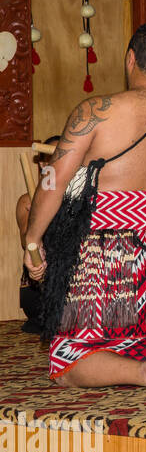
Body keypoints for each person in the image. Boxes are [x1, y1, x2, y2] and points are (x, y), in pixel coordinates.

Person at [23, 23, 146, 394]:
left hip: (107, 248)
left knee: (69, 359)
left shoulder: (97, 110)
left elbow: (55, 180)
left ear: (130, 60)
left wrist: (33, 238)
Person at [15, 135, 59, 334]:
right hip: (38, 288)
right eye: (53, 156)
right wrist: (37, 221)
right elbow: (27, 243)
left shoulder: (79, 202)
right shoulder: (27, 200)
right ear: (42, 163)